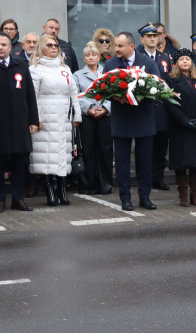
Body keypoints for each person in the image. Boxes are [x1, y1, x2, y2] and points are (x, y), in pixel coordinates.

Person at [0, 32, 40, 211]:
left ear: (10, 47)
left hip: (20, 122)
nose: (1, 48)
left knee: (21, 160)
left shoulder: (21, 66)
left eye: (4, 45)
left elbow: (30, 95)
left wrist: (33, 120)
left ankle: (18, 198)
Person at [104, 32, 159, 210]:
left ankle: (145, 197)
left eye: (120, 46)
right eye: (115, 46)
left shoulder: (148, 63)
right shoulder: (111, 64)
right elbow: (103, 87)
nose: (116, 49)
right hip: (121, 120)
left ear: (131, 46)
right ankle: (125, 198)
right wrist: (116, 97)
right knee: (122, 163)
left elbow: (157, 86)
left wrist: (140, 97)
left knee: (145, 162)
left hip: (143, 119)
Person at [29, 34, 82, 205]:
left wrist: (76, 115)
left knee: (63, 155)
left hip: (63, 116)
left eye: (55, 45)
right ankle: (50, 192)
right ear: (41, 48)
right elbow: (32, 96)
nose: (53, 48)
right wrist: (36, 118)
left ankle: (62, 191)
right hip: (46, 116)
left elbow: (73, 93)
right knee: (46, 156)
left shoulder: (64, 68)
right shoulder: (35, 69)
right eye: (49, 45)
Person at [163, 48, 196, 206]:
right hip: (180, 127)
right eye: (181, 59)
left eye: (188, 59)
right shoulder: (170, 80)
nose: (185, 61)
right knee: (181, 163)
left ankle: (195, 194)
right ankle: (183, 194)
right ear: (176, 63)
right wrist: (184, 121)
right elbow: (169, 104)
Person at [137, 22, 172, 191]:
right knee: (144, 146)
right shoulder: (138, 58)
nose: (153, 39)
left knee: (160, 146)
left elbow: (169, 81)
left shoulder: (165, 58)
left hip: (161, 108)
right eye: (149, 36)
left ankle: (158, 178)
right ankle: (144, 178)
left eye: (155, 36)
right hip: (144, 108)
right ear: (142, 39)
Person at [74, 42, 113, 194]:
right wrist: (89, 108)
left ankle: (105, 184)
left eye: (94, 55)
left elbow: (112, 93)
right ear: (84, 58)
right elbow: (76, 96)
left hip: (105, 115)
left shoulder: (106, 73)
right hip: (87, 117)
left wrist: (105, 108)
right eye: (88, 55)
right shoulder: (77, 75)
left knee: (105, 150)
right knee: (88, 150)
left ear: (99, 57)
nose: (91, 58)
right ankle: (88, 184)